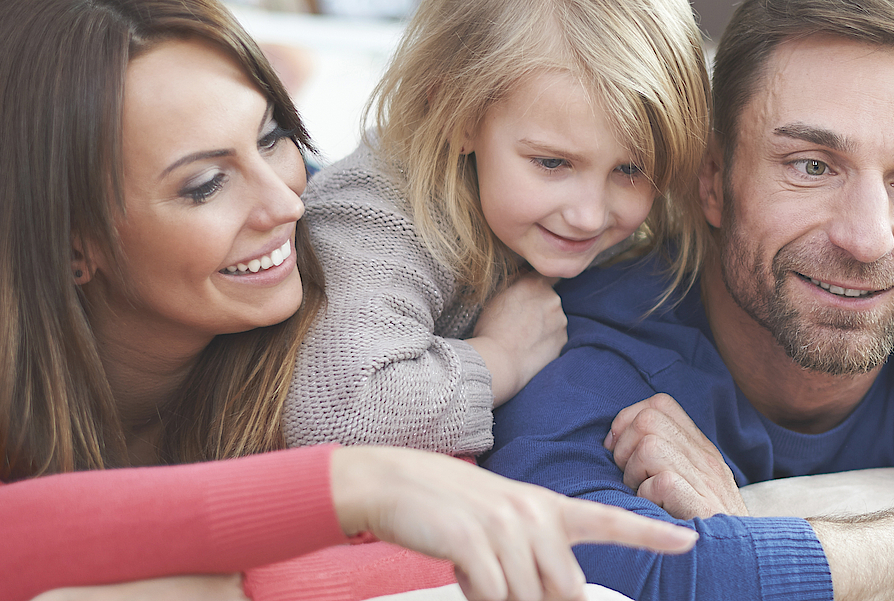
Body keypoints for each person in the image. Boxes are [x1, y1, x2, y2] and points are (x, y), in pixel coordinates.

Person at [0, 1, 696, 600]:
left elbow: (471, 524)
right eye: (204, 184)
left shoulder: (344, 273)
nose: (290, 202)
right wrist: (351, 484)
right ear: (70, 242)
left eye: (274, 137)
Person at [482, 0, 894, 599]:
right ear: (712, 180)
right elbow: (618, 571)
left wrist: (748, 537)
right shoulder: (592, 349)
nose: (865, 239)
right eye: (812, 166)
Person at [281, 0, 709, 456]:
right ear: (456, 113)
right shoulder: (375, 214)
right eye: (552, 162)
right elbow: (334, 412)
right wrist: (503, 355)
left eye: (630, 170)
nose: (589, 215)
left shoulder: (566, 221)